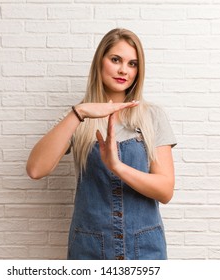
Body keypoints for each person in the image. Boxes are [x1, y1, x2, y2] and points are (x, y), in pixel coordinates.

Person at [26, 28, 177, 260]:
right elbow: (36, 169)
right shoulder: (77, 118)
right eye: (116, 59)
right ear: (100, 61)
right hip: (90, 249)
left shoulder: (152, 116)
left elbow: (165, 191)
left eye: (132, 64)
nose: (123, 70)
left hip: (145, 249)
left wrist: (117, 166)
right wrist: (80, 112)